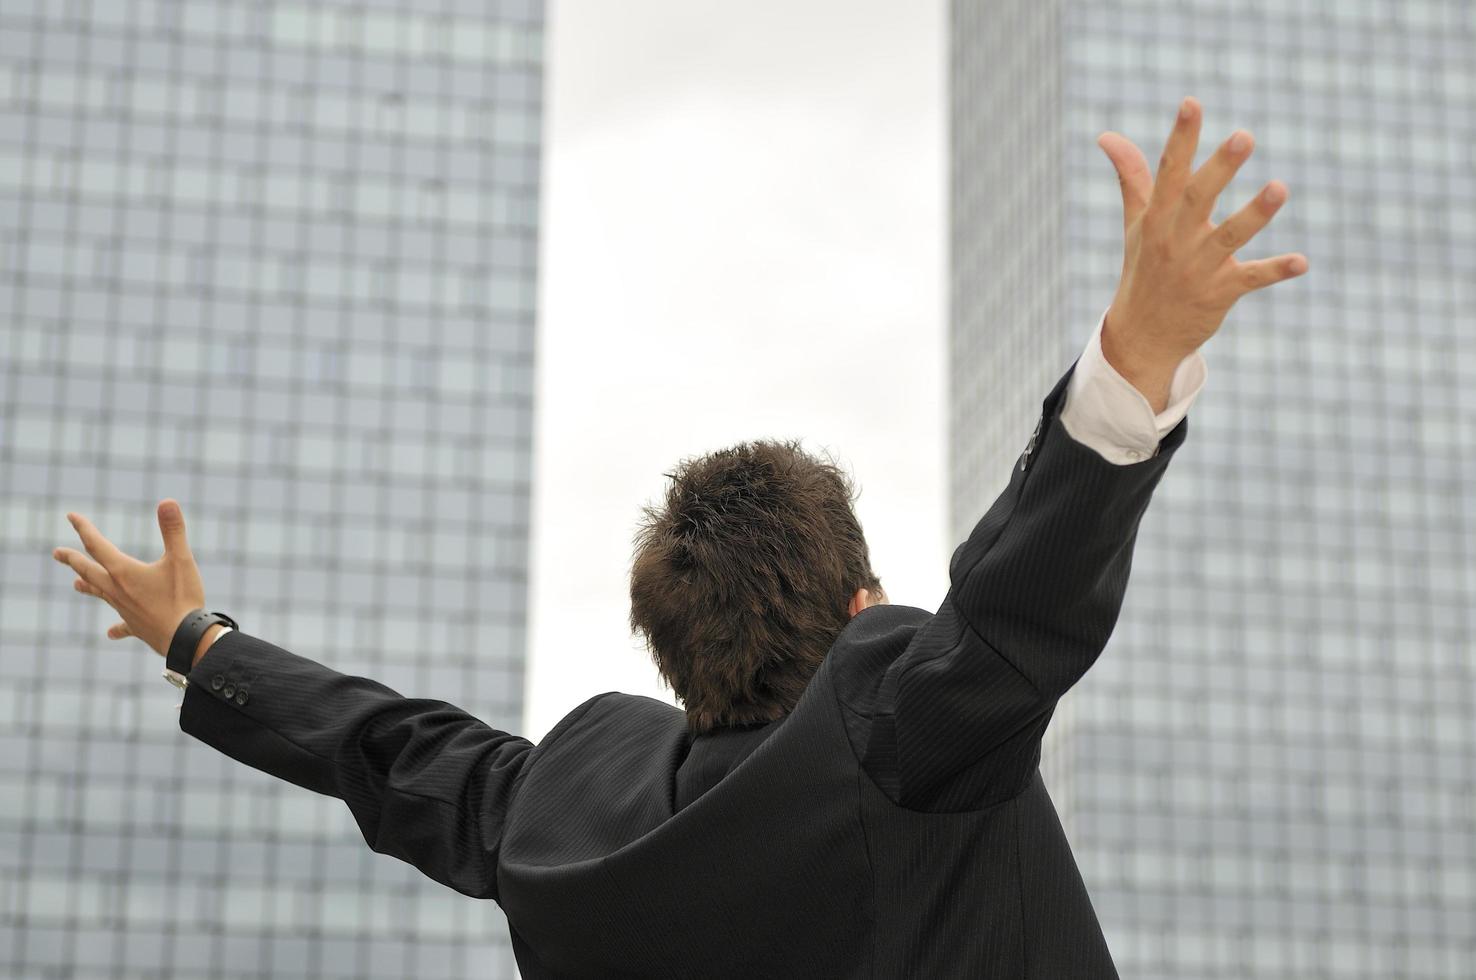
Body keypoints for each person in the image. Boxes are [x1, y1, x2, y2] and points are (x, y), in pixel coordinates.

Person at [53, 96, 1305, 978]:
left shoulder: (570, 816)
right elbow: (1020, 596)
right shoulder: (902, 733)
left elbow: (384, 750)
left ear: (672, 650)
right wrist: (1136, 355)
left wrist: (202, 642)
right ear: (866, 608)